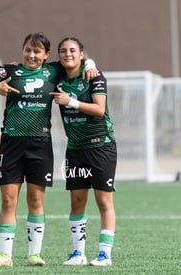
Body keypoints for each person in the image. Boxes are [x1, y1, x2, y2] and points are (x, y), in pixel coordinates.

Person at [0, 32, 98, 267]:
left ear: (46, 55)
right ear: (23, 50)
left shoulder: (53, 71)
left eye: (37, 51)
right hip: (12, 142)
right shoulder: (10, 70)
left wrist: (90, 62)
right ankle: (4, 255)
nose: (31, 55)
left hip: (40, 143)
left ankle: (34, 254)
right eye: (28, 49)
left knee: (36, 199)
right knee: (8, 200)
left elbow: (75, 62)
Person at [51, 37, 117, 267]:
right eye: (63, 51)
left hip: (100, 146)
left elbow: (99, 109)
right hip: (76, 150)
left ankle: (104, 254)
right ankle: (78, 253)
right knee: (77, 202)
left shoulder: (94, 75)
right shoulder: (57, 76)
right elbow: (35, 67)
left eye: (73, 50)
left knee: (103, 201)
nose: (67, 54)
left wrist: (71, 101)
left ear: (81, 54)